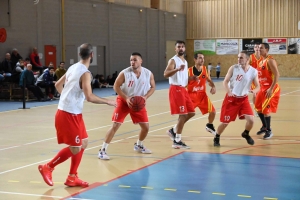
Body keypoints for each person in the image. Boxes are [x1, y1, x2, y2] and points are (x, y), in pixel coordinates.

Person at [38, 43, 116, 187]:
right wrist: (108, 102)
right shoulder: (85, 73)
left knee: (83, 142)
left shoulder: (72, 67)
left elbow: (57, 86)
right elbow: (90, 97)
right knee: (75, 148)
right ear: (92, 55)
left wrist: (68, 99)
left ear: (80, 54)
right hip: (67, 114)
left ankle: (72, 177)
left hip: (73, 112)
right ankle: (48, 167)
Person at [98, 52, 155, 160]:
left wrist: (145, 97)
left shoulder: (148, 73)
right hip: (124, 101)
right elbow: (116, 86)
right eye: (131, 60)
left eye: (135, 60)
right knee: (115, 125)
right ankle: (102, 150)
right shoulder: (125, 73)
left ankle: (139, 145)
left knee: (146, 127)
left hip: (138, 102)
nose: (132, 62)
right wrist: (126, 98)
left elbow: (153, 87)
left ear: (141, 61)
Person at [213, 50, 260, 147]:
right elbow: (225, 82)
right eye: (238, 57)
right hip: (232, 99)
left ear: (247, 59)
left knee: (251, 120)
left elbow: (258, 86)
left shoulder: (253, 71)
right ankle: (217, 136)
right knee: (225, 123)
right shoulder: (233, 68)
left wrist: (254, 91)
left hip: (243, 99)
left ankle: (246, 133)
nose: (239, 59)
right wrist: (229, 92)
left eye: (241, 57)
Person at [164, 40, 195, 149]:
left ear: (184, 49)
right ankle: (177, 140)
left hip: (183, 89)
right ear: (175, 49)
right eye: (178, 47)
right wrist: (177, 69)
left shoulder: (185, 61)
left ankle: (173, 130)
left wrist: (191, 78)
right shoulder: (173, 60)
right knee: (183, 115)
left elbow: (184, 77)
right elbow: (166, 74)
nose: (180, 48)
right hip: (176, 89)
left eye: (182, 47)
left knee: (191, 112)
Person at [255, 43, 280, 140]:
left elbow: (277, 75)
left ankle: (269, 131)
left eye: (261, 48)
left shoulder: (270, 60)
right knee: (258, 108)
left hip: (270, 87)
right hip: (262, 88)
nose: (259, 49)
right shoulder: (261, 61)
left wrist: (271, 88)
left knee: (265, 109)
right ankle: (264, 127)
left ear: (267, 49)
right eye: (258, 48)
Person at [188, 53, 217, 135]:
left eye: (203, 58)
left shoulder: (205, 69)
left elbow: (209, 80)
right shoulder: (189, 71)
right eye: (200, 58)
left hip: (202, 96)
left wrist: (213, 86)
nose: (202, 60)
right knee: (185, 116)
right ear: (195, 59)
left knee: (213, 112)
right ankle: (175, 130)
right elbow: (183, 83)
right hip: (191, 97)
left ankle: (209, 125)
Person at [249, 43, 263, 116]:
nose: (257, 48)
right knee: (255, 95)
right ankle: (256, 109)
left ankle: (261, 108)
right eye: (255, 47)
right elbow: (247, 67)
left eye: (258, 47)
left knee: (261, 95)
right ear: (254, 49)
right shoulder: (251, 57)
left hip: (262, 79)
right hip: (254, 80)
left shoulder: (263, 57)